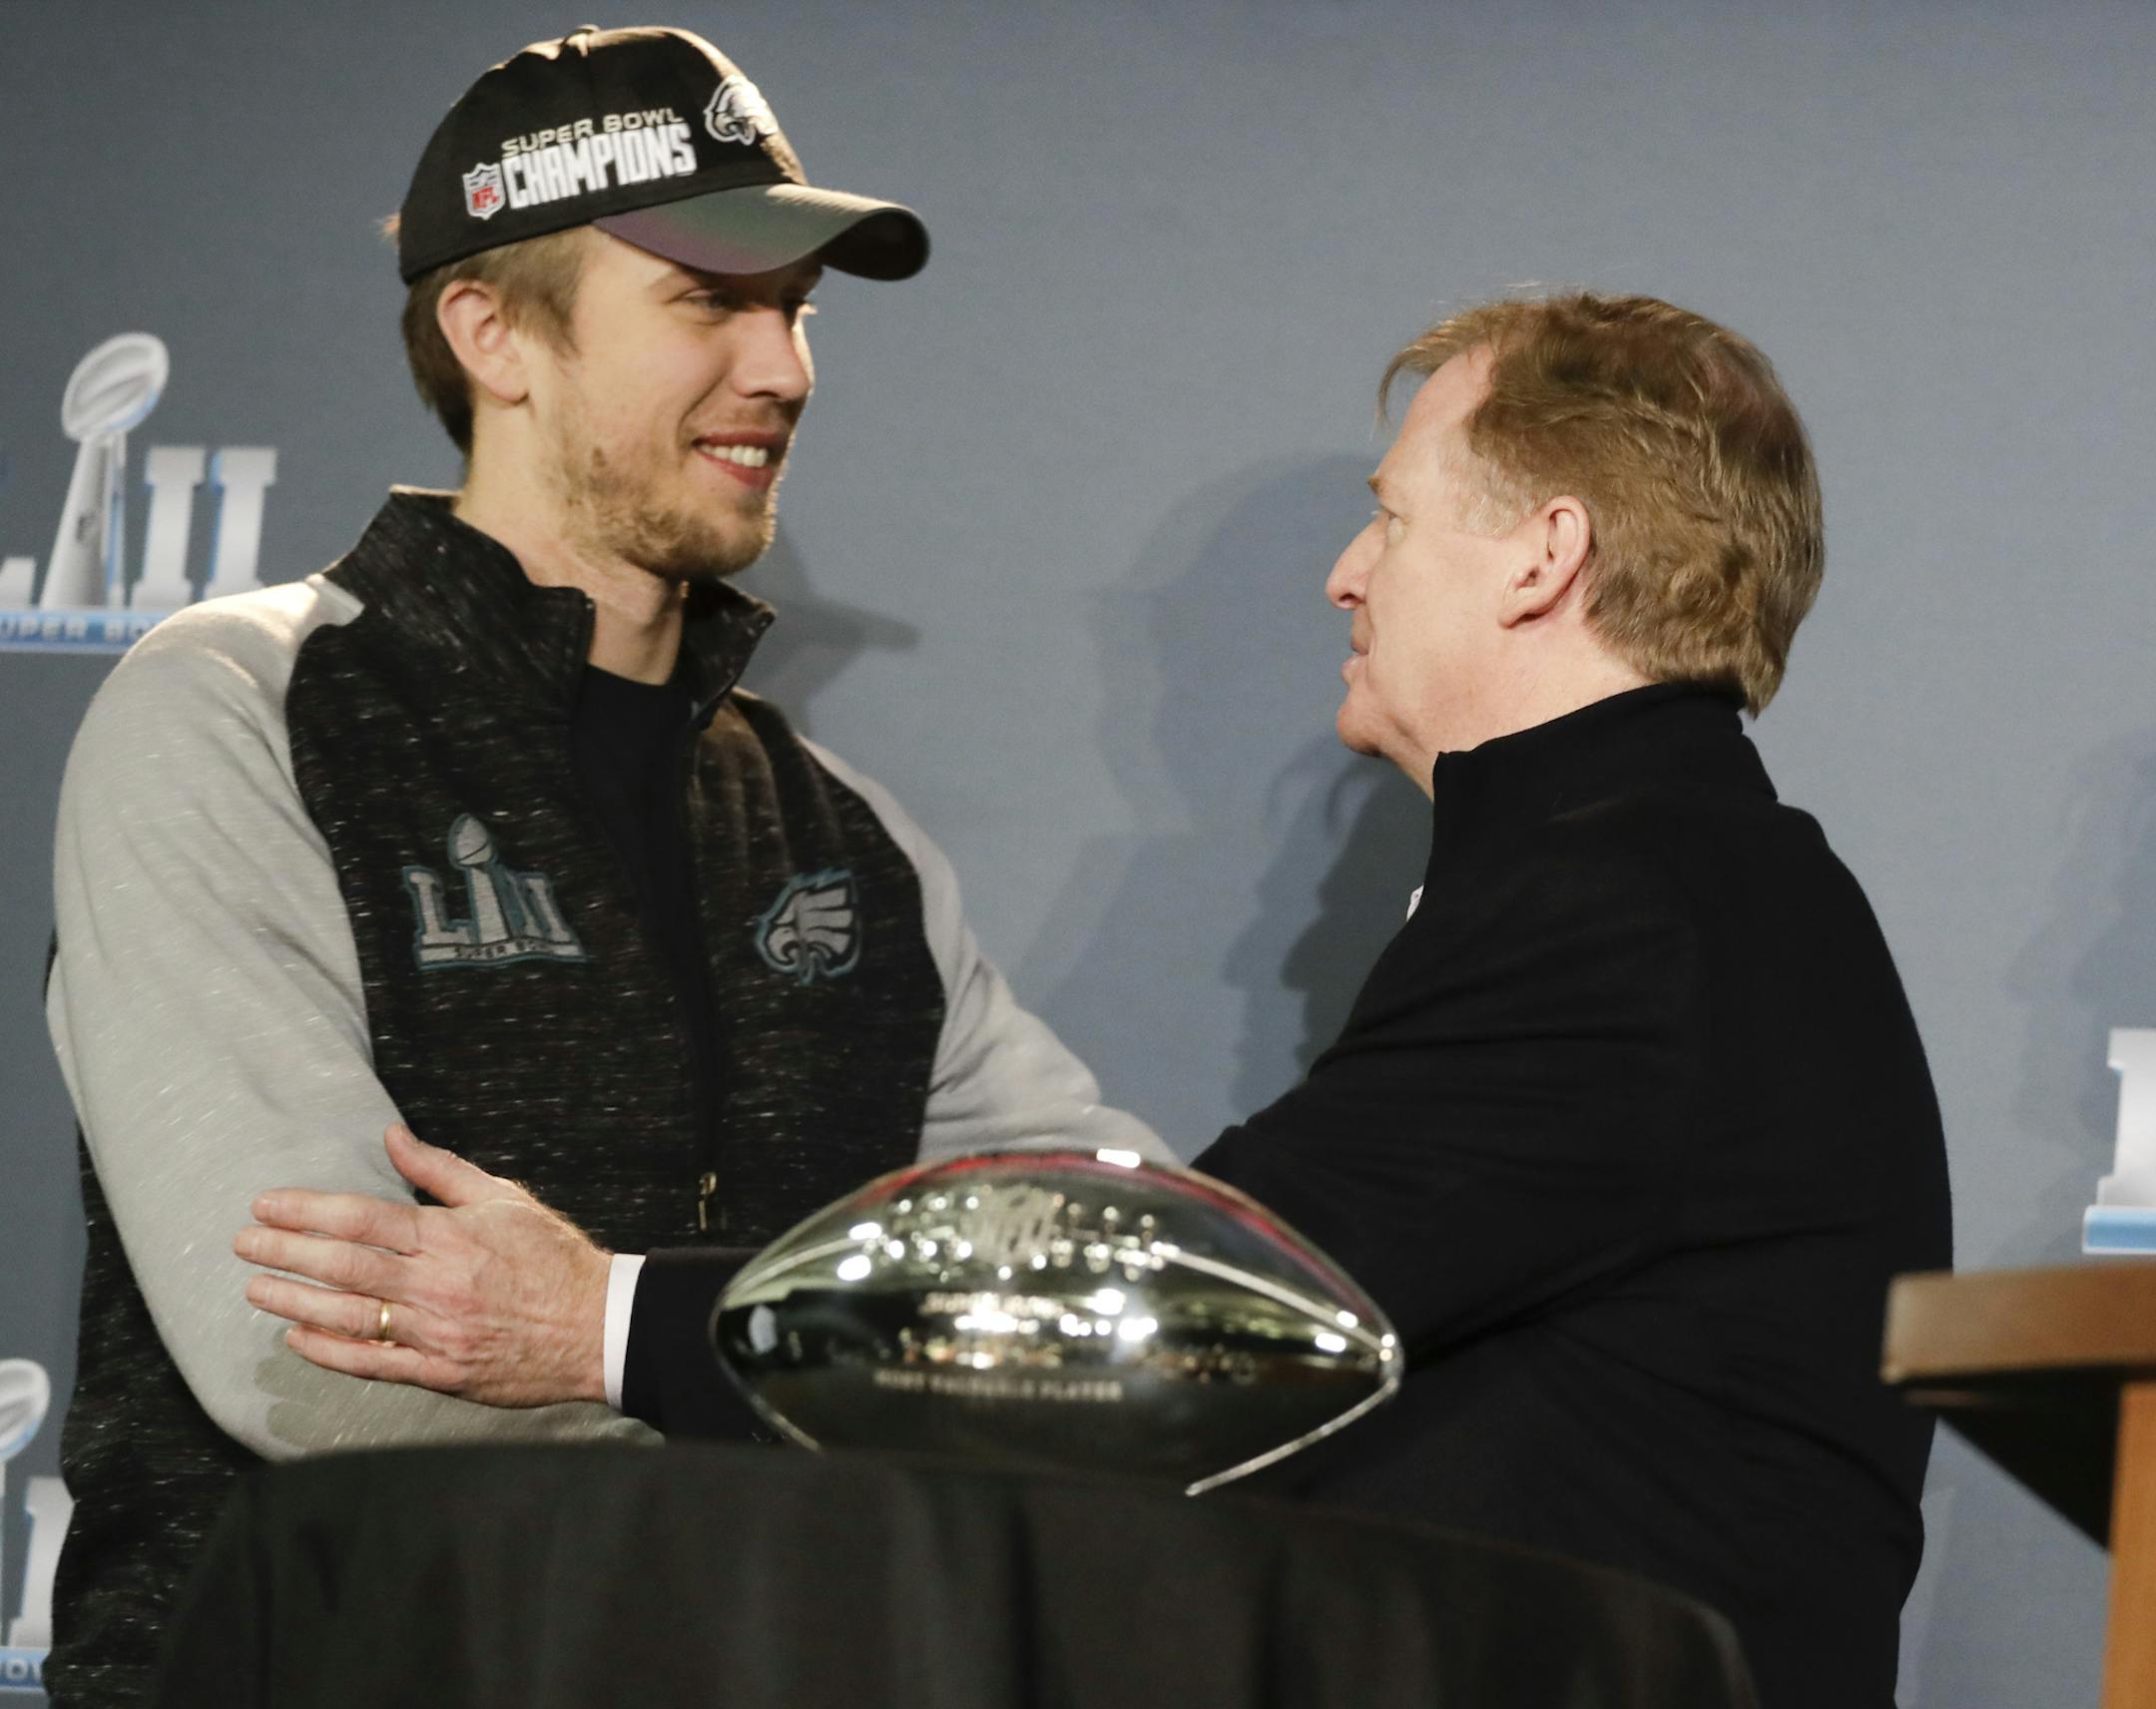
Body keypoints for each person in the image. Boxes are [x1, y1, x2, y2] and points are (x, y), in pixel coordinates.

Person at [240, 294, 1950, 1705]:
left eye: (1394, 514)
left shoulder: (1631, 907)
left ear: (1542, 557)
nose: (1346, 575)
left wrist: (594, 1322)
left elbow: (1173, 1305)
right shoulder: (1656, 881)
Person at [46, 25, 1164, 1707]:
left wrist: (616, 1334)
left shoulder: (841, 830)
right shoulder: (235, 708)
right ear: (494, 333)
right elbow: (310, 1358)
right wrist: (860, 1439)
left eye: (797, 309)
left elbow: (1113, 1292)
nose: (781, 366)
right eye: (710, 300)